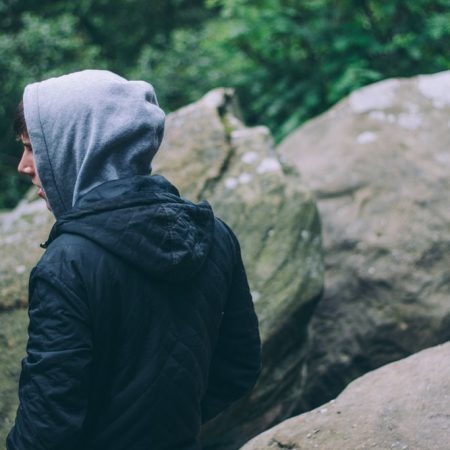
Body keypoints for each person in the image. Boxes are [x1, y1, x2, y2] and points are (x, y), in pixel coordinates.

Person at [7, 70, 261, 450]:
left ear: (78, 145)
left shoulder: (68, 264)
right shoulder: (215, 235)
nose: (23, 166)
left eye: (33, 147)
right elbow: (239, 368)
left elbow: (46, 429)